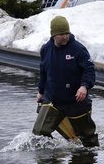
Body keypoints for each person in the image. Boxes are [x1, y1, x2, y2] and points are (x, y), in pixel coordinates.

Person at [33, 15, 99, 147]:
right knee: (39, 132)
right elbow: (43, 72)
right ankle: (54, 162)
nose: (65, 37)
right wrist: (40, 91)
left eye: (66, 33)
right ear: (53, 35)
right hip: (53, 100)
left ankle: (86, 161)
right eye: (61, 34)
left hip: (76, 101)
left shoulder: (78, 49)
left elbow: (89, 70)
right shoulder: (46, 49)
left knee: (87, 141)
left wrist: (84, 86)